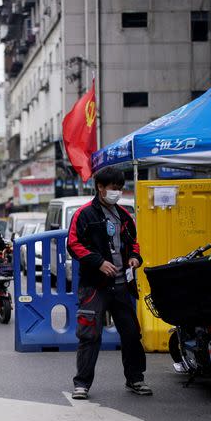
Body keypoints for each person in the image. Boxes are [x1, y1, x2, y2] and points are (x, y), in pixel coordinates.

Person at [66, 168, 150, 399]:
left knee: (132, 334)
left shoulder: (124, 215)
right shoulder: (84, 214)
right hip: (94, 286)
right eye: (114, 188)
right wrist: (98, 262)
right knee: (89, 335)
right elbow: (74, 244)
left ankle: (135, 379)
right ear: (100, 188)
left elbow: (134, 243)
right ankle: (82, 383)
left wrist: (135, 258)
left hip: (123, 285)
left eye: (120, 188)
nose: (118, 192)